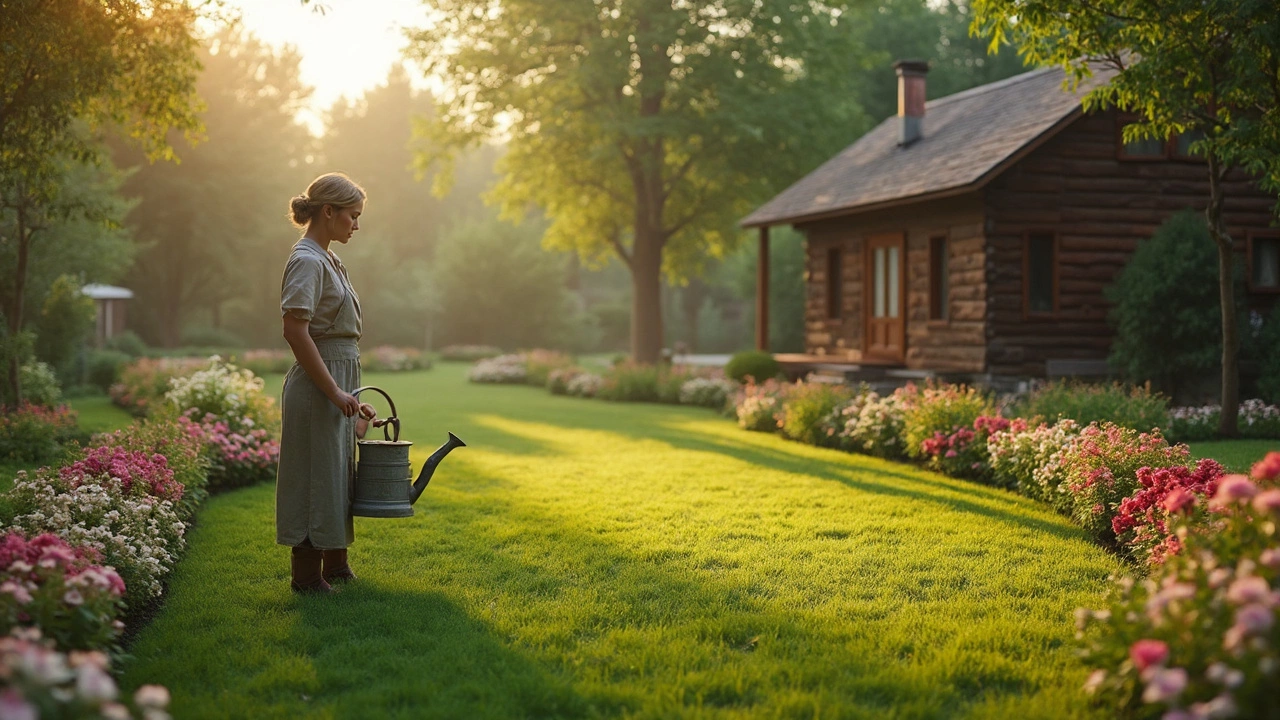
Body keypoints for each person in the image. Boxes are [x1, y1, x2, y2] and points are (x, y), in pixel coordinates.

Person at [277, 172, 377, 594]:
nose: (356, 225)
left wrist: (352, 395)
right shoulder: (307, 260)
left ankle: (335, 565)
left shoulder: (330, 258)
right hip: (318, 387)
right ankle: (306, 578)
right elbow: (295, 330)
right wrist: (334, 391)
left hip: (338, 380)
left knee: (338, 473)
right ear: (329, 212)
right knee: (314, 475)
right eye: (352, 216)